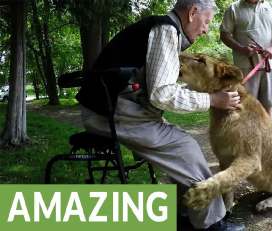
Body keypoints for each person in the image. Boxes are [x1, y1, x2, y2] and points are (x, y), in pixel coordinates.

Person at [77, 0, 245, 230]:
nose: (206, 29)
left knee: (181, 147)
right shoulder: (166, 30)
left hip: (117, 109)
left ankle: (186, 212)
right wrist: (213, 100)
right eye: (206, 21)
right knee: (186, 149)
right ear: (192, 12)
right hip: (111, 113)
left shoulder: (162, 30)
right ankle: (211, 223)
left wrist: (212, 94)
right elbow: (162, 94)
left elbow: (159, 87)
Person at [220, 0, 272, 116]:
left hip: (268, 65)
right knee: (245, 107)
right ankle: (247, 134)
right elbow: (224, 34)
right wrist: (241, 48)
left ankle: (266, 134)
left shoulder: (271, 7)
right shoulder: (233, 9)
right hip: (244, 66)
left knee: (267, 106)